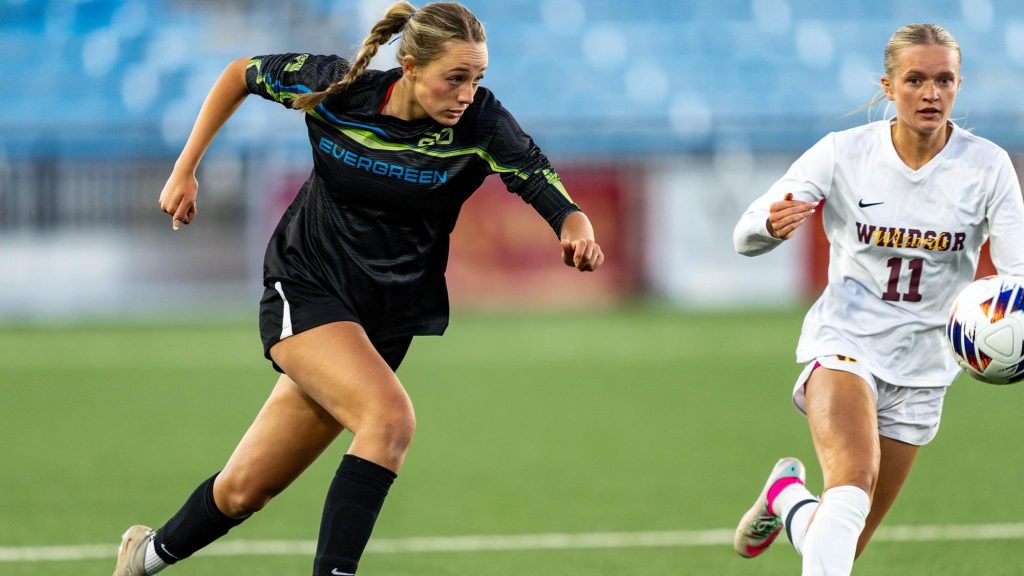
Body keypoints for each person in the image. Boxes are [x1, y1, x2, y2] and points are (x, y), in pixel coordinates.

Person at [112, 2, 604, 575]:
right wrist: (185, 168)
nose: (468, 92)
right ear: (411, 67)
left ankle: (140, 560)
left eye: (478, 78)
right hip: (307, 283)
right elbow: (239, 74)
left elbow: (548, 189)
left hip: (383, 321)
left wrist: (578, 232)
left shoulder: (481, 124)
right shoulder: (339, 88)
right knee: (389, 420)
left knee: (244, 490)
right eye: (456, 77)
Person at [730, 23, 1024, 575]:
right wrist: (769, 226)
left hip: (926, 365)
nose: (930, 93)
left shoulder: (987, 167)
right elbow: (743, 235)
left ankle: (786, 498)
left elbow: (1018, 274)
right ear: (888, 87)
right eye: (915, 79)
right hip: (845, 343)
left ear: (959, 85)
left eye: (944, 80)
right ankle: (796, 498)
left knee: (842, 536)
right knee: (853, 479)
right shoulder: (844, 154)